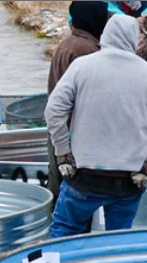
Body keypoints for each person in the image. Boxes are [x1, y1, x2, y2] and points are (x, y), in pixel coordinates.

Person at [46, 14, 147, 237]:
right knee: (117, 242)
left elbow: (53, 111)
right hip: (128, 179)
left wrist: (63, 153)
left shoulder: (82, 67)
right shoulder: (145, 72)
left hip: (84, 175)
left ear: (105, 35)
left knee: (65, 232)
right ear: (133, 37)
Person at [46, 2, 111, 201]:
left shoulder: (67, 44)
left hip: (59, 129)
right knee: (77, 196)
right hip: (75, 133)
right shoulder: (88, 49)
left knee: (58, 188)